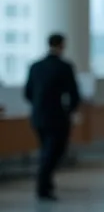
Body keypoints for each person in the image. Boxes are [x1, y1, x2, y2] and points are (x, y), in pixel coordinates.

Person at [23, 33, 81, 200]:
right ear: (62, 46)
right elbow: (74, 94)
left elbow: (28, 92)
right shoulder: (64, 67)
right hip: (57, 117)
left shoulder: (35, 66)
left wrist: (38, 105)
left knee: (46, 150)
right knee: (55, 151)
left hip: (38, 116)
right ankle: (43, 184)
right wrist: (70, 110)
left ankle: (46, 183)